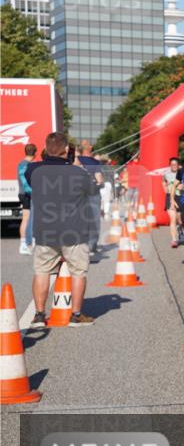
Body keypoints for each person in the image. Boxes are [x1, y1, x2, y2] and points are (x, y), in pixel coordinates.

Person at [26, 132, 102, 328]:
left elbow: (31, 173)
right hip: (74, 231)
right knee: (78, 272)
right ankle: (76, 315)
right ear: (67, 149)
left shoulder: (34, 170)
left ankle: (39, 315)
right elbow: (93, 190)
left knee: (42, 271)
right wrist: (76, 164)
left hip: (45, 231)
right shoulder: (78, 173)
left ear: (45, 147)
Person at [75, 141, 104, 258]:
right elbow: (99, 179)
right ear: (89, 149)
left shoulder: (77, 161)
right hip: (93, 193)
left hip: (79, 193)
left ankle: (81, 244)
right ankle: (92, 245)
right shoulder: (95, 162)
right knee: (94, 219)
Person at [17, 143, 37, 255]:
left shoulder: (21, 163)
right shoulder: (29, 165)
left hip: (22, 192)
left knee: (26, 218)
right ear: (35, 153)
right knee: (27, 219)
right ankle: (26, 244)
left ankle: (24, 244)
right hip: (28, 193)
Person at [162, 156, 181, 247]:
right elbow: (163, 182)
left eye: (175, 164)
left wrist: (183, 186)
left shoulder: (182, 172)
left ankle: (180, 229)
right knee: (172, 219)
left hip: (180, 197)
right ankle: (174, 240)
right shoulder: (166, 173)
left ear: (178, 165)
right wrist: (165, 188)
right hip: (170, 197)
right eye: (172, 164)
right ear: (170, 165)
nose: (174, 166)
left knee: (180, 220)